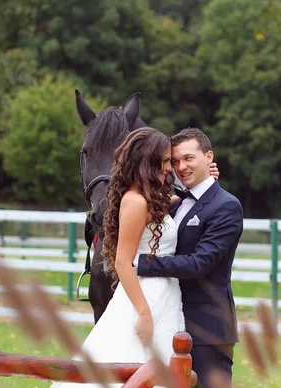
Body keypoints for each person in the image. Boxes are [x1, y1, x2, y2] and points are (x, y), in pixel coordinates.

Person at [51, 126, 220, 388]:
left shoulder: (153, 198)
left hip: (166, 296)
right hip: (145, 297)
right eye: (165, 161)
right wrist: (143, 313)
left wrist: (208, 182)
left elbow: (186, 200)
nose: (170, 168)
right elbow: (122, 261)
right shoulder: (136, 201)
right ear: (147, 161)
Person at [135, 127, 244, 388]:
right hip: (170, 320)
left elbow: (200, 263)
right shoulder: (173, 202)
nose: (181, 167)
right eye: (175, 161)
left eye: (189, 158)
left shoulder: (226, 206)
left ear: (209, 157)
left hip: (207, 327)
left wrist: (141, 263)